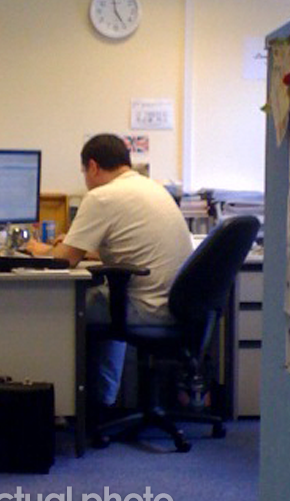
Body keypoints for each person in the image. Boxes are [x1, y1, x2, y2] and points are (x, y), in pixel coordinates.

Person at [25, 134, 193, 408]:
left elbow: (64, 260)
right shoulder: (151, 188)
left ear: (92, 166)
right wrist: (80, 246)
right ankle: (103, 399)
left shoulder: (102, 196)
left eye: (84, 173)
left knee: (63, 303)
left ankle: (63, 405)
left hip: (145, 308)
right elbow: (126, 247)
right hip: (173, 304)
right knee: (106, 294)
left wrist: (39, 249)